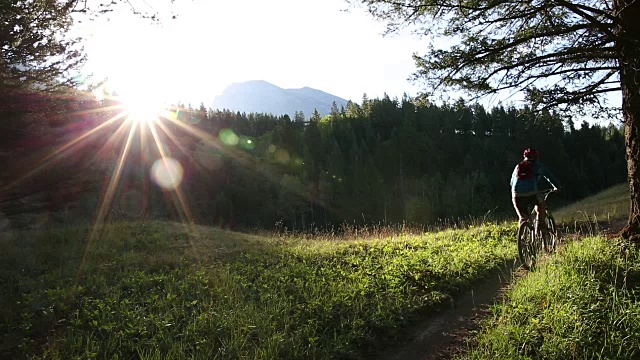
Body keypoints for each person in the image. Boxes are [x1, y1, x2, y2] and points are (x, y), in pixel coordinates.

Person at [510, 148, 561, 228]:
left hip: (516, 195)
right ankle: (541, 224)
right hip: (532, 194)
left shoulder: (518, 167)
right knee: (541, 203)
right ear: (536, 157)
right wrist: (557, 187)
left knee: (523, 217)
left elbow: (511, 182)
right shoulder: (538, 166)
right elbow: (549, 177)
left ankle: (522, 237)